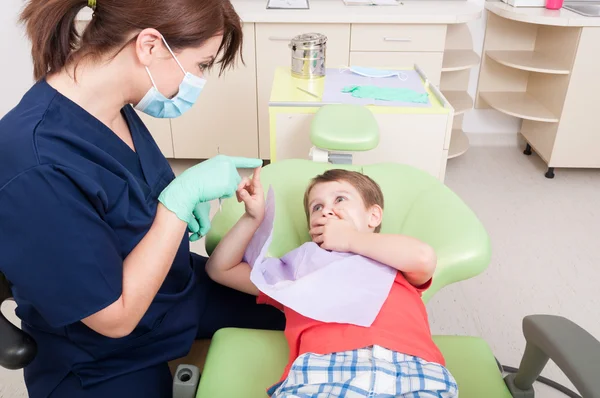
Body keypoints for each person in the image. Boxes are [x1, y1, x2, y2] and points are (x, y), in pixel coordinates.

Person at [0, 0, 285, 397]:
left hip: (173, 290)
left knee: (304, 309)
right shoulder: (35, 163)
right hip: (100, 356)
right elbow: (113, 319)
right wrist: (177, 204)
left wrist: (175, 207)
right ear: (150, 45)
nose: (199, 78)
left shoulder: (110, 106)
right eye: (202, 64)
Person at [206, 168, 459, 397]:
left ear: (373, 216)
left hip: (413, 368)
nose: (326, 210)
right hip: (321, 371)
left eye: (340, 199)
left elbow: (424, 259)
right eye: (316, 207)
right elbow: (220, 269)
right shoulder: (296, 268)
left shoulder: (393, 255)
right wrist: (253, 219)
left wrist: (350, 239)